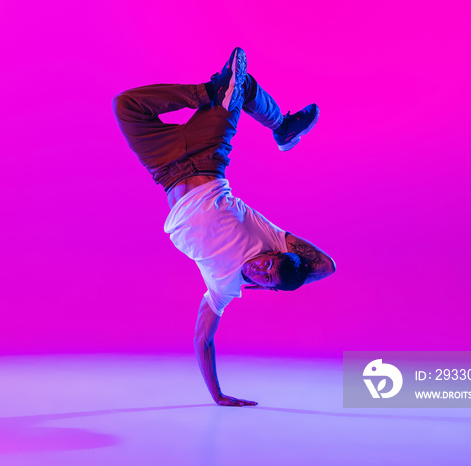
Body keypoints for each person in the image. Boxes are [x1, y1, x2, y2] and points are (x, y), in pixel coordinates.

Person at [113, 48, 336, 407]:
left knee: (125, 106)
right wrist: (283, 280)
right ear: (276, 253)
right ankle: (272, 121)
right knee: (239, 77)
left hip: (165, 169)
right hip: (207, 154)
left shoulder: (225, 287)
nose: (259, 267)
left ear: (264, 285)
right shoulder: (272, 238)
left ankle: (220, 95)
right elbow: (327, 266)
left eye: (264, 276)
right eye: (268, 262)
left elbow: (203, 339)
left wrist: (216, 394)